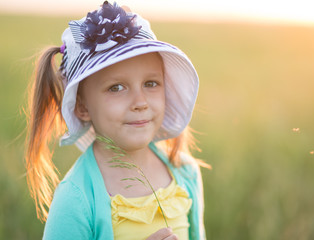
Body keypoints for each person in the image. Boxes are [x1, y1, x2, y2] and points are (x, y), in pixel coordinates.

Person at [25, 1, 208, 240]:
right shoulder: (76, 198)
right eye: (117, 87)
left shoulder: (185, 172)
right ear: (82, 106)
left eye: (151, 83)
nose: (140, 102)